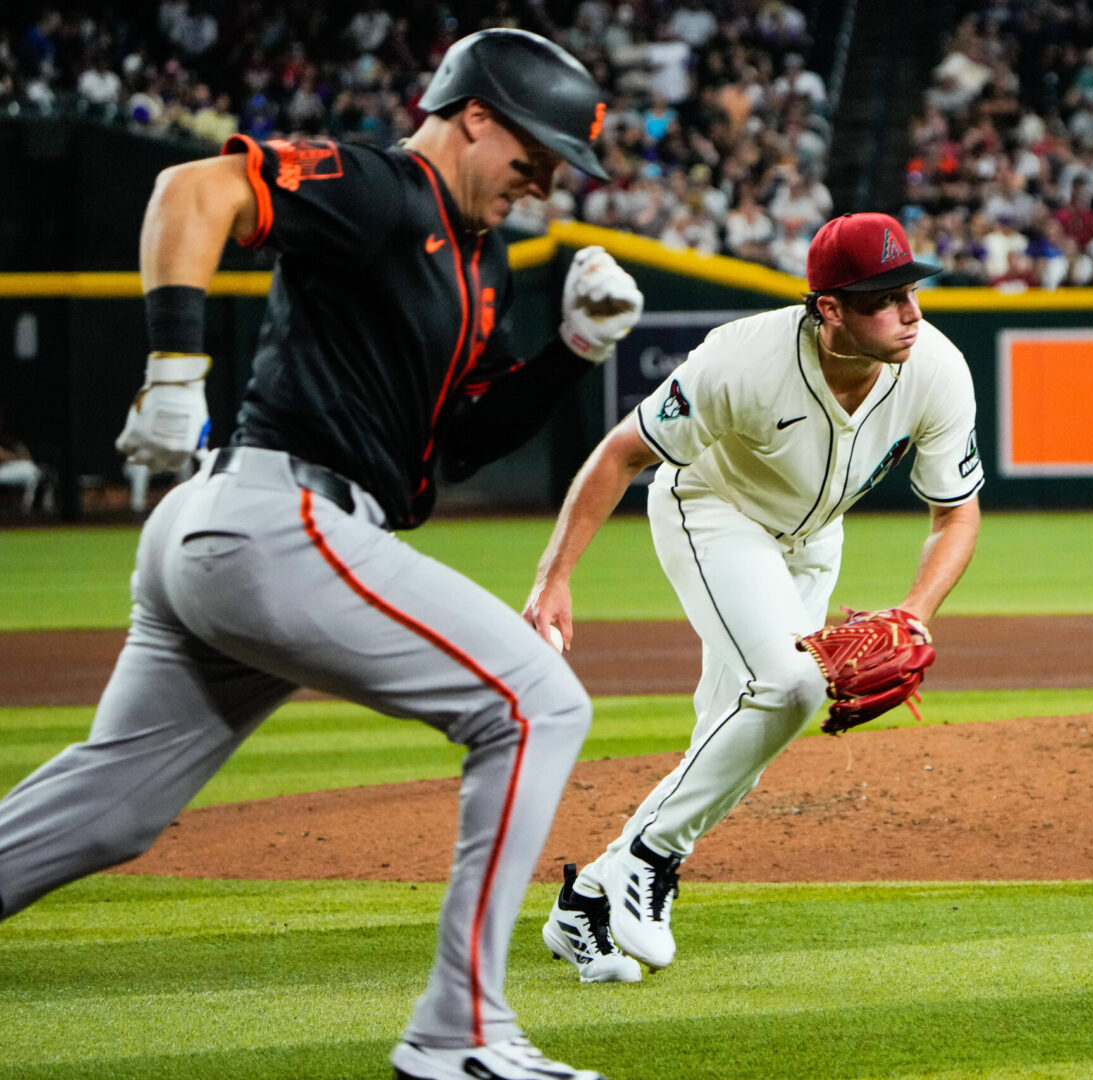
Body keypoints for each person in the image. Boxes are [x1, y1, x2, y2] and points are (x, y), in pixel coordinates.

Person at [0, 29, 642, 1080]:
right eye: (534, 156)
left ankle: (463, 1030)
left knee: (112, 810)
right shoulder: (384, 187)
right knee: (537, 703)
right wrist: (172, 361)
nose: (541, 183)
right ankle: (462, 1033)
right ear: (474, 115)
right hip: (272, 520)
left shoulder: (477, 257)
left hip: (247, 536)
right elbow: (190, 191)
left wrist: (572, 352)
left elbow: (461, 443)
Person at [525, 212, 983, 982]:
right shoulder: (743, 359)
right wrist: (555, 576)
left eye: (911, 291)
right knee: (791, 686)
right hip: (713, 511)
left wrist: (914, 611)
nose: (909, 313)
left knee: (743, 733)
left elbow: (956, 511)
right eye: (884, 299)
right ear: (829, 309)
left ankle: (588, 900)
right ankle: (651, 857)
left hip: (815, 540)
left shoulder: (935, 366)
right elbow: (621, 452)